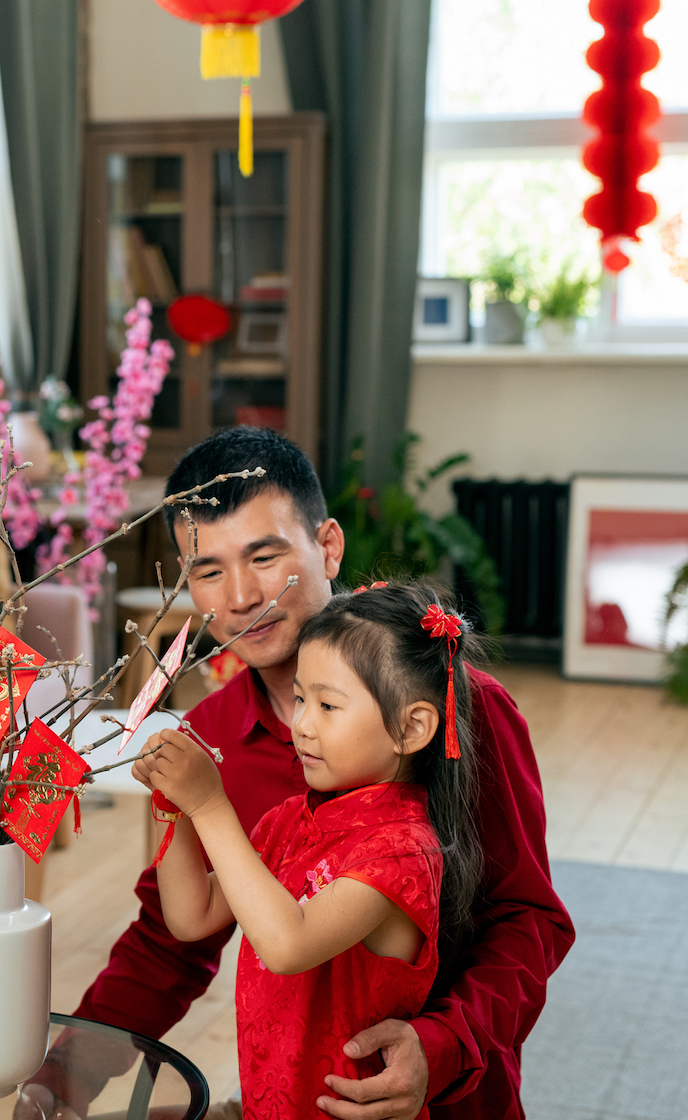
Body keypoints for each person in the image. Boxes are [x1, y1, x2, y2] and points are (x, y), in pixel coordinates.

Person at [42, 427, 573, 1120]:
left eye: (264, 556)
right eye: (207, 571)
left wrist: (442, 1043)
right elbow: (174, 940)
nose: (239, 597)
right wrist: (65, 1078)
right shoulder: (214, 743)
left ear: (327, 546)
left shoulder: (460, 712)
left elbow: (527, 920)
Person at [134, 581, 485, 1118]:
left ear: (412, 728)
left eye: (327, 705)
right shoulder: (291, 820)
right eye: (300, 698)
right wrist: (174, 804)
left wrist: (210, 805)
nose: (301, 724)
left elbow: (287, 945)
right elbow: (191, 916)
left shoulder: (403, 852)